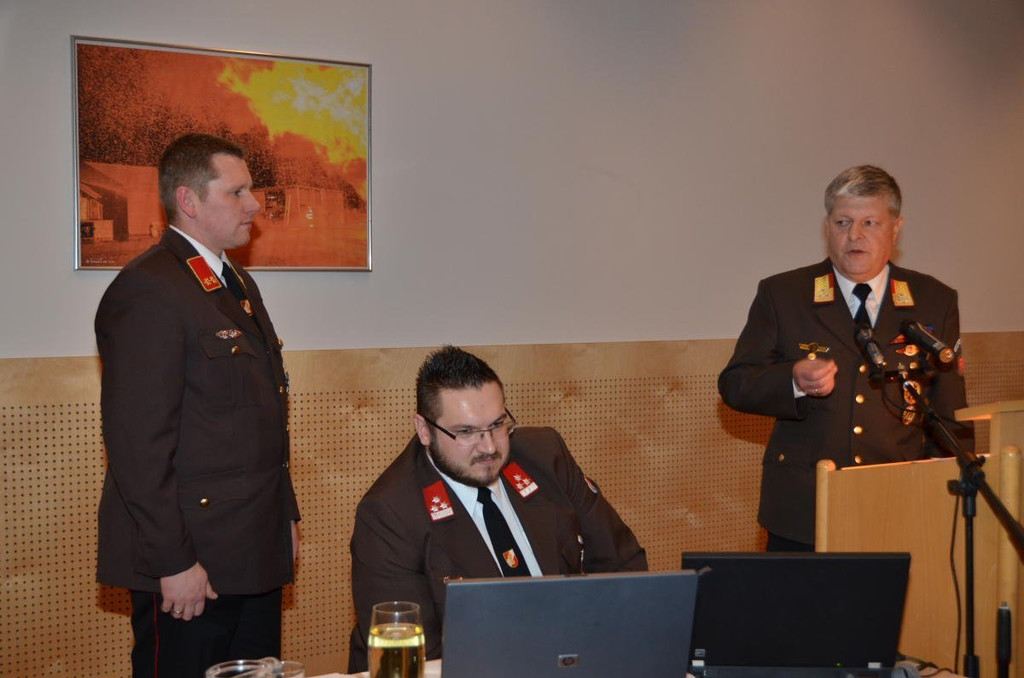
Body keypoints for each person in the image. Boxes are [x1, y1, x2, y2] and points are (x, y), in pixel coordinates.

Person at [95, 133, 300, 677]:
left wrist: (283, 516)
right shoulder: (149, 288)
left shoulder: (234, 281)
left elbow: (260, 417)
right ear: (188, 200)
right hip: (194, 560)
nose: (254, 205)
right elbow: (138, 446)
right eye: (237, 192)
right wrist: (174, 560)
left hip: (252, 546)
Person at [719, 165, 973, 551]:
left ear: (896, 229)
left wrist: (945, 500)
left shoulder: (934, 300)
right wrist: (793, 380)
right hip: (803, 508)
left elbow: (949, 414)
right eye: (843, 222)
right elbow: (736, 383)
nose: (855, 235)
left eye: (870, 222)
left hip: (898, 503)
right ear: (827, 227)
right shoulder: (784, 294)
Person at [347, 346, 647, 672]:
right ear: (424, 430)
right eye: (466, 432)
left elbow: (623, 566)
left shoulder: (546, 456)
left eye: (497, 425)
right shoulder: (389, 514)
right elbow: (423, 663)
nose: (489, 447)